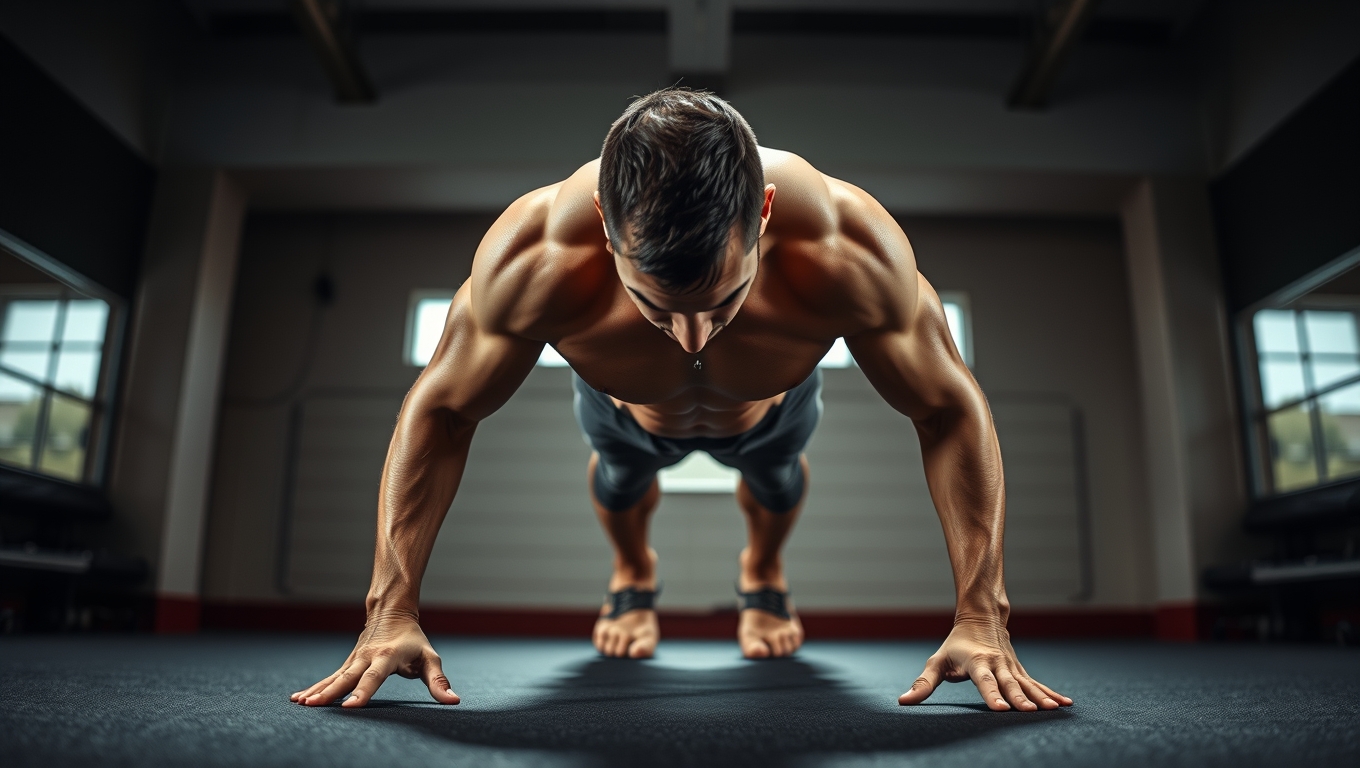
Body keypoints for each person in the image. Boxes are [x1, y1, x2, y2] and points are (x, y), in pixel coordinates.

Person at [290, 88, 1072, 713]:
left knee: (776, 482)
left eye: (724, 302)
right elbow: (443, 411)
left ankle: (761, 578)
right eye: (655, 308)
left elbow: (947, 408)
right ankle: (634, 579)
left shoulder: (844, 247)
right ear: (604, 226)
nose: (693, 340)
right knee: (620, 480)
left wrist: (982, 616)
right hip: (623, 410)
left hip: (772, 407)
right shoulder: (536, 255)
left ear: (763, 213)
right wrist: (388, 609)